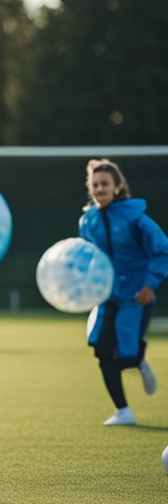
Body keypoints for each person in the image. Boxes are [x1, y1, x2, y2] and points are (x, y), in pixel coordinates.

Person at [79, 158, 167, 426]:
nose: (99, 189)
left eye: (104, 184)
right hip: (106, 297)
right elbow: (86, 256)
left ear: (117, 186)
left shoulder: (136, 218)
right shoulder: (87, 221)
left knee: (126, 355)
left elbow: (163, 249)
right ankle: (123, 411)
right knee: (103, 353)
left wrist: (149, 284)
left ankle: (138, 360)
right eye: (94, 185)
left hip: (136, 296)